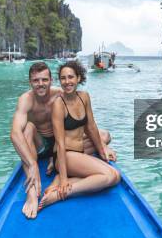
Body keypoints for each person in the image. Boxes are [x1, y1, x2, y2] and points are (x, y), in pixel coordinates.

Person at [10, 62, 116, 219]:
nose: (40, 84)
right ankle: (32, 192)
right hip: (40, 145)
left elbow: (88, 125)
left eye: (44, 80)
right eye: (36, 80)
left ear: (51, 80)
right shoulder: (26, 100)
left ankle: (59, 169)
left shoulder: (61, 94)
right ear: (30, 82)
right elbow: (14, 134)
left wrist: (102, 147)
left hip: (62, 145)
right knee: (28, 128)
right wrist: (33, 165)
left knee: (105, 135)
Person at [38, 61, 121, 211]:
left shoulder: (84, 97)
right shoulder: (58, 104)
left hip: (79, 151)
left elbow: (91, 126)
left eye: (71, 77)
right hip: (65, 156)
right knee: (111, 176)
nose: (67, 82)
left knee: (115, 176)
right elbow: (60, 143)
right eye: (63, 78)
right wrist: (63, 178)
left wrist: (103, 150)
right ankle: (61, 193)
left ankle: (63, 180)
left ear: (78, 78)